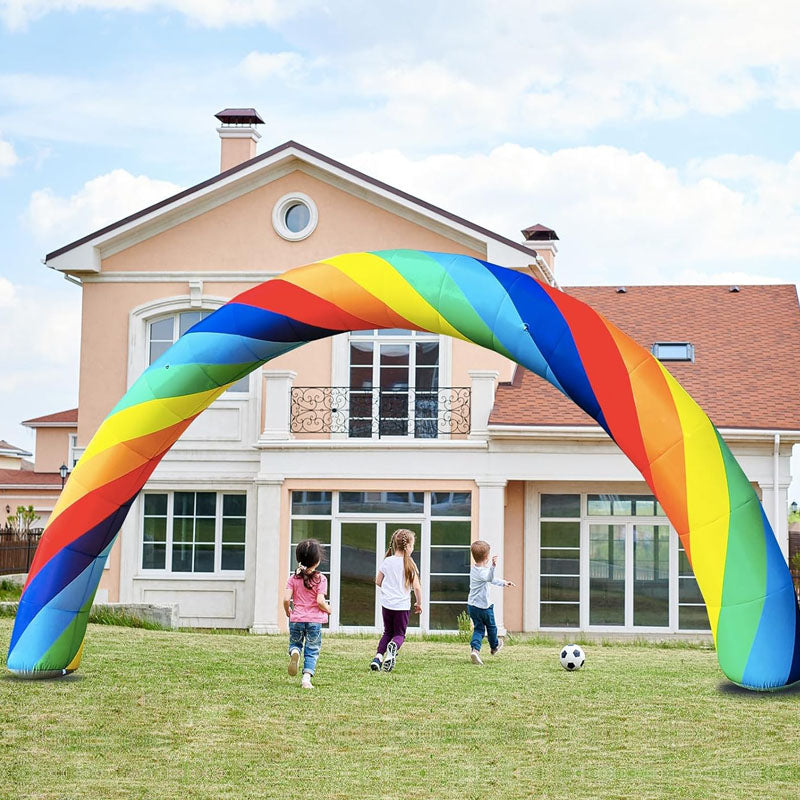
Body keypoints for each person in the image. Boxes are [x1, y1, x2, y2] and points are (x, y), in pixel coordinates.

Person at [370, 528, 422, 673]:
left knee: (387, 632)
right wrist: (419, 603)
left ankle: (378, 657)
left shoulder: (387, 561)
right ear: (407, 546)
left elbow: (378, 581)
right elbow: (417, 587)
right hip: (402, 606)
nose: (413, 548)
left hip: (387, 604)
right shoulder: (410, 564)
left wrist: (388, 589)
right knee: (399, 635)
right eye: (412, 545)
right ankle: (393, 647)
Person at [283, 539, 331, 689]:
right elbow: (320, 601)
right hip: (314, 621)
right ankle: (306, 679)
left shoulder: (292, 578)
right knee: (312, 649)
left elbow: (286, 599)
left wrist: (287, 611)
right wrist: (329, 610)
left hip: (296, 618)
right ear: (317, 561)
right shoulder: (321, 579)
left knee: (295, 643)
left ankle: (295, 652)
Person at [467, 540, 515, 665]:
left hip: (472, 607)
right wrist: (494, 566)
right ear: (487, 557)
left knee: (478, 629)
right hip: (484, 607)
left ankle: (475, 650)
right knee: (492, 627)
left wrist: (504, 582)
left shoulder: (475, 570)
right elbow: (489, 577)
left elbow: (491, 579)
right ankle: (494, 647)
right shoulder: (483, 572)